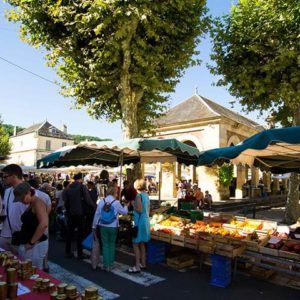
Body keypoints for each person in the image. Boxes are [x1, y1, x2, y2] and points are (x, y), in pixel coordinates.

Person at [13, 182, 48, 269]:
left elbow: (44, 224)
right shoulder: (33, 203)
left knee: (32, 272)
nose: (21, 201)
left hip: (35, 245)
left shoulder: (38, 203)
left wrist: (31, 243)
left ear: (28, 193)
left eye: (21, 198)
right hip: (32, 244)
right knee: (29, 270)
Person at [92, 186, 128, 271]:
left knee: (105, 245)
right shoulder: (116, 202)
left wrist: (93, 226)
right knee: (112, 245)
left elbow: (97, 214)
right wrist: (126, 205)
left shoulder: (101, 201)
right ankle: (111, 264)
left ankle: (106, 265)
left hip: (102, 225)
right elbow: (124, 212)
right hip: (113, 226)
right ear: (114, 193)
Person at [64, 173, 96, 259]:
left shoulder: (69, 187)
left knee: (70, 232)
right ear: (80, 179)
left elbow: (65, 200)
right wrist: (94, 206)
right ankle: (79, 253)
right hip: (80, 213)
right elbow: (88, 199)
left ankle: (67, 251)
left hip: (71, 213)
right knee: (80, 233)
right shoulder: (82, 187)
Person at [0, 164, 26, 254]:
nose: (3, 178)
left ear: (14, 176)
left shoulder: (29, 191)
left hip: (20, 237)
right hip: (5, 234)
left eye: (5, 176)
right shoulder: (7, 191)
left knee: (19, 264)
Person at [128, 179, 151, 273]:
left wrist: (133, 204)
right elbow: (147, 209)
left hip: (139, 221)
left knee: (135, 243)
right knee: (142, 243)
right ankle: (143, 263)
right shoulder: (146, 195)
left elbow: (139, 210)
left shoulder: (138, 195)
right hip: (145, 220)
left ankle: (137, 266)